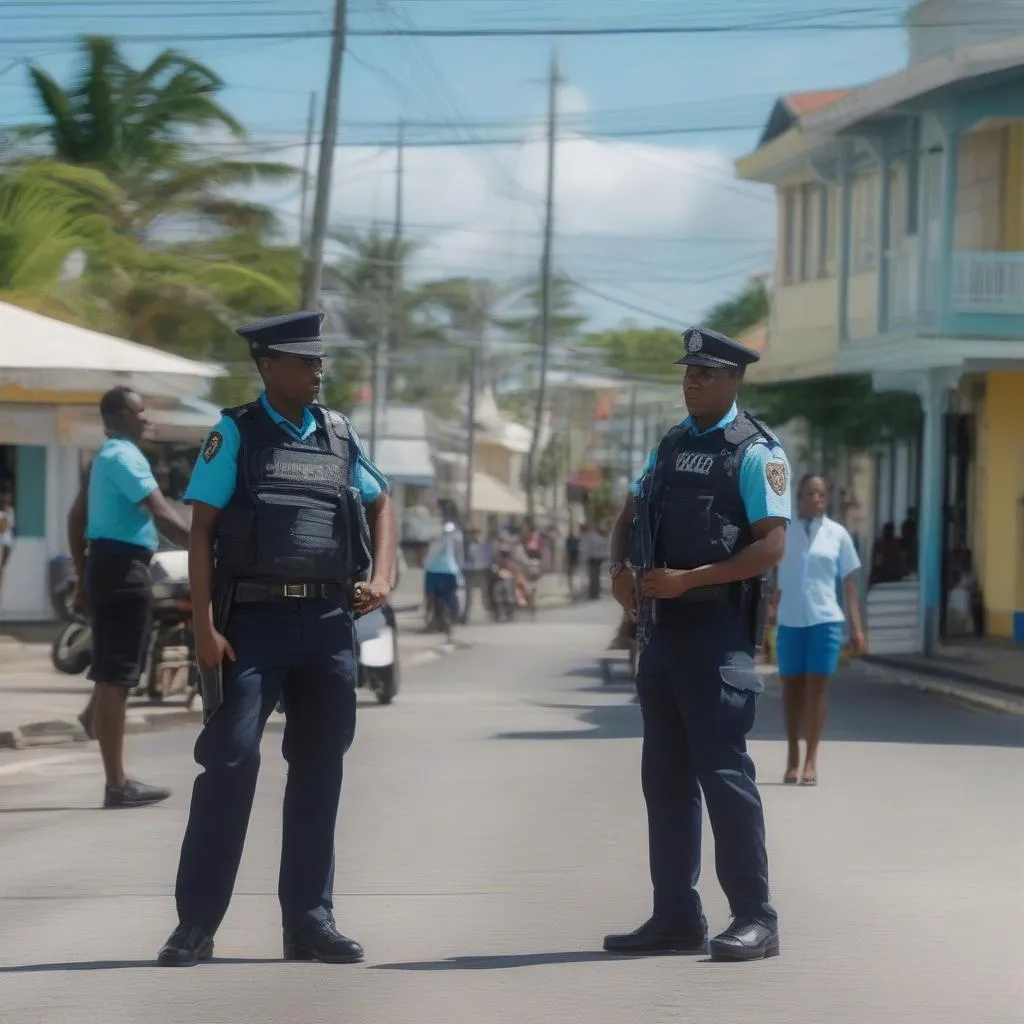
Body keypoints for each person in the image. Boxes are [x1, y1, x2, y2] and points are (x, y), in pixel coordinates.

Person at [156, 310, 396, 968]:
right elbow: (201, 530)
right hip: (250, 628)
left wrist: (383, 574)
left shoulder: (339, 434)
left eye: (320, 362)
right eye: (305, 361)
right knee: (230, 764)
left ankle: (310, 922)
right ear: (268, 366)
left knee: (320, 773)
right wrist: (202, 625)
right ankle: (196, 925)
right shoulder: (234, 432)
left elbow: (381, 501)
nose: (318, 371)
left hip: (327, 628)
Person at [603, 325, 791, 963]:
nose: (692, 382)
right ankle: (675, 916)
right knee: (665, 778)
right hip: (664, 630)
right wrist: (618, 575)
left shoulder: (757, 452)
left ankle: (755, 918)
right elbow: (631, 514)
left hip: (715, 630)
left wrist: (692, 580)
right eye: (688, 372)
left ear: (735, 380)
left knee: (724, 776)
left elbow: (770, 545)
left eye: (705, 375)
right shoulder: (672, 442)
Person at [67, 387, 189, 808]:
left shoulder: (103, 457)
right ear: (119, 416)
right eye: (140, 411)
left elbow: (75, 518)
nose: (147, 419)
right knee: (117, 675)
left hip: (105, 565)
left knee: (111, 665)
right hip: (122, 569)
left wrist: (83, 581)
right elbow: (161, 513)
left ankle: (92, 716)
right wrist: (210, 547)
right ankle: (117, 785)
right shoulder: (124, 456)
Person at [772, 474, 865, 787]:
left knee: (817, 688)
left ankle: (811, 759)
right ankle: (792, 755)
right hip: (790, 618)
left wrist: (856, 627)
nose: (816, 499)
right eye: (810, 494)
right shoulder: (784, 533)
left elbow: (848, 584)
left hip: (825, 619)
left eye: (821, 494)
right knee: (791, 689)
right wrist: (768, 611)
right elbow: (771, 578)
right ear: (798, 498)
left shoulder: (837, 535)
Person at [424, 520, 464, 638]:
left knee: (442, 597)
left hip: (439, 571)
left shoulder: (453, 539)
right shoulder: (452, 538)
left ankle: (445, 621)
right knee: (439, 597)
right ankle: (440, 620)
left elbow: (458, 557)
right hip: (441, 571)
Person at [0, 488, 14, 597]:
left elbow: (10, 526)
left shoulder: (10, 512)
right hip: (3, 542)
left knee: (2, 567)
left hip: (6, 542)